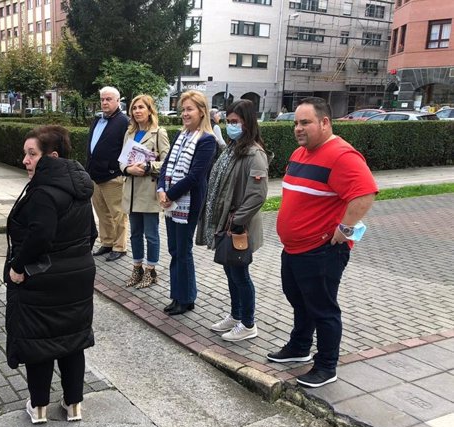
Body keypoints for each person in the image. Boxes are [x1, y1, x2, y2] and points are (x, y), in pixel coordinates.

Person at [267, 97, 377, 388]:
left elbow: (365, 193)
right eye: (296, 123)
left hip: (321, 252)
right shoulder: (301, 153)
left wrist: (345, 228)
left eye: (305, 123)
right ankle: (299, 347)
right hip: (294, 248)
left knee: (323, 309)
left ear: (325, 123)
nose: (298, 129)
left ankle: (326, 365)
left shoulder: (342, 156)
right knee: (299, 300)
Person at [5, 125, 97, 424]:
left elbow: (40, 237)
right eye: (25, 154)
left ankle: (39, 406)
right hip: (78, 275)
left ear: (52, 156)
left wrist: (17, 267)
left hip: (43, 277)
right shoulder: (79, 188)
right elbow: (91, 232)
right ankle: (73, 405)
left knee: (40, 343)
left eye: (32, 154)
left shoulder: (44, 191)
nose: (25, 161)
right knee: (72, 341)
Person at [197, 99, 270, 341]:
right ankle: (235, 316)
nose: (231, 126)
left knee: (240, 275)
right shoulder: (232, 148)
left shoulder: (254, 153)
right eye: (228, 122)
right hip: (225, 222)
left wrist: (238, 220)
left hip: (239, 226)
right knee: (231, 272)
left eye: (235, 122)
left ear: (248, 123)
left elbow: (257, 194)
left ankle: (248, 323)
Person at [158, 91, 217, 316]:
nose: (184, 114)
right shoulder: (181, 136)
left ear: (202, 112)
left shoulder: (207, 140)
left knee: (183, 250)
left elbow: (196, 176)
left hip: (188, 202)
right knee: (175, 249)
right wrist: (161, 189)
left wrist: (170, 194)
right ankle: (179, 295)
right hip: (171, 200)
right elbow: (166, 166)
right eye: (183, 109)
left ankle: (185, 298)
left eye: (189, 109)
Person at [119, 94, 170, 289]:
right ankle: (137, 268)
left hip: (148, 190)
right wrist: (127, 169)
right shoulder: (129, 133)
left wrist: (149, 166)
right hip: (130, 190)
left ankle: (151, 270)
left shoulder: (158, 133)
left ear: (150, 110)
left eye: (141, 107)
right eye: (134, 108)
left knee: (151, 234)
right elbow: (122, 160)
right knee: (134, 234)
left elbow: (167, 162)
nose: (137, 111)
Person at [86, 86, 130, 262]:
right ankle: (107, 242)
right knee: (102, 213)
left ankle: (120, 246)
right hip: (95, 175)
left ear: (118, 101)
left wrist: (117, 169)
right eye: (103, 99)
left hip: (113, 177)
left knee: (118, 214)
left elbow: (128, 149)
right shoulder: (97, 120)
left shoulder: (124, 121)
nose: (104, 102)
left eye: (108, 99)